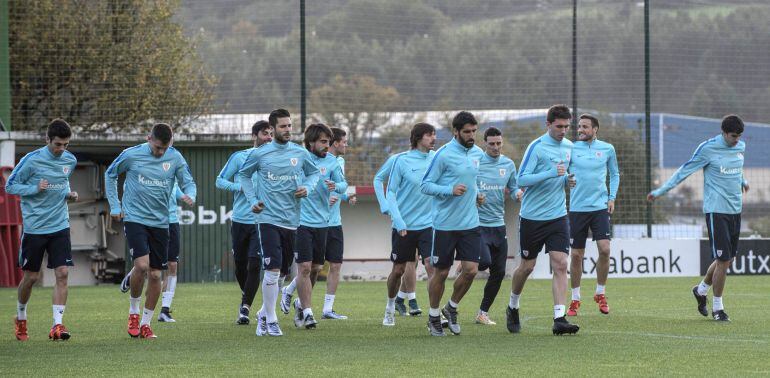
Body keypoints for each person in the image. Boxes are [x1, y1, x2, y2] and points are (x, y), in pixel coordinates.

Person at [648, 114, 748, 322]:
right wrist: (661, 191)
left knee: (726, 259)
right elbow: (684, 171)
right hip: (716, 210)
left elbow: (736, 169)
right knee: (722, 260)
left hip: (735, 210)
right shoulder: (707, 149)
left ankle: (701, 290)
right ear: (723, 133)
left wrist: (743, 181)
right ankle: (718, 308)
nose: (736, 140)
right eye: (733, 136)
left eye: (739, 136)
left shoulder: (740, 147)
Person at [106, 123, 197, 339]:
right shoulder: (131, 155)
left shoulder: (175, 158)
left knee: (156, 274)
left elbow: (188, 182)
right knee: (142, 265)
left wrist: (191, 194)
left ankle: (146, 324)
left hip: (161, 221)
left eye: (164, 148)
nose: (160, 152)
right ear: (149, 139)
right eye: (157, 148)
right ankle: (134, 313)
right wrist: (115, 206)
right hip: (135, 217)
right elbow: (110, 175)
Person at [238, 109, 320, 337]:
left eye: (289, 126)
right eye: (283, 126)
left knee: (282, 272)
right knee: (272, 270)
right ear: (272, 129)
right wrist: (252, 199)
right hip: (267, 219)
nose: (287, 130)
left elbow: (314, 175)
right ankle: (272, 320)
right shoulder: (260, 154)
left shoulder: (299, 153)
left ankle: (263, 315)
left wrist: (308, 187)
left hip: (292, 220)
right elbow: (244, 176)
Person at [505, 104, 579, 336]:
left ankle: (559, 318)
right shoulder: (536, 147)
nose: (563, 130)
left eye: (567, 126)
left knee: (560, 263)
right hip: (532, 218)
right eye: (559, 126)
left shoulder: (569, 147)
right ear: (548, 124)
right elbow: (522, 180)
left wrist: (568, 181)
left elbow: (564, 175)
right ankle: (513, 305)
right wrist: (551, 173)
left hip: (557, 216)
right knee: (527, 267)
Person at [9, 119, 78, 341]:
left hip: (60, 224)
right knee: (30, 277)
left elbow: (63, 181)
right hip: (35, 227)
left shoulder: (70, 160)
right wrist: (34, 188)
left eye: (66, 145)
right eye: (58, 144)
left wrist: (69, 194)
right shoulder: (32, 160)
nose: (62, 149)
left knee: (63, 273)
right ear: (47, 140)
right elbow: (10, 185)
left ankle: (57, 325)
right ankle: (21, 317)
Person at [420, 111, 485, 336]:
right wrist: (450, 190)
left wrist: (478, 194)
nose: (471, 135)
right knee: (441, 273)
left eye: (474, 131)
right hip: (445, 225)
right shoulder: (443, 154)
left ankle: (452, 307)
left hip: (470, 223)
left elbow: (473, 179)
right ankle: (434, 315)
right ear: (456, 132)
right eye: (467, 132)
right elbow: (426, 185)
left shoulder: (478, 153)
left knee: (471, 270)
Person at [284, 123, 347, 329]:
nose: (326, 146)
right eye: (322, 141)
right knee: (303, 268)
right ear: (311, 142)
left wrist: (335, 186)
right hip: (301, 222)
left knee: (316, 269)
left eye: (328, 142)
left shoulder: (332, 162)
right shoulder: (299, 158)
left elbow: (343, 184)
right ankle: (309, 313)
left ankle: (300, 304)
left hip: (323, 223)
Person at [215, 120, 273, 324]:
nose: (269, 138)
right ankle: (246, 296)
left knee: (255, 263)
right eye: (265, 133)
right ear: (254, 136)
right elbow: (219, 180)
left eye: (271, 134)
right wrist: (239, 187)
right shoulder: (239, 157)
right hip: (240, 219)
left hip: (263, 220)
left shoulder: (275, 159)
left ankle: (245, 308)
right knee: (240, 265)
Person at [381, 123, 436, 327]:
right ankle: (390, 307)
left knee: (432, 266)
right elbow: (392, 192)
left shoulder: (436, 159)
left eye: (435, 135)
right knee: (398, 270)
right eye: (430, 135)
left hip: (429, 225)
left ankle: (435, 314)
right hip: (404, 225)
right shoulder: (402, 161)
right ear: (418, 138)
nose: (434, 139)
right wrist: (398, 219)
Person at [566, 114, 620, 316]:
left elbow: (614, 174)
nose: (580, 130)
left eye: (585, 127)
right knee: (577, 255)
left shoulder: (607, 149)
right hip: (578, 209)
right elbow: (562, 172)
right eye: (579, 126)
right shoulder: (571, 148)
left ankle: (600, 292)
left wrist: (612, 197)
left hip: (599, 207)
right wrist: (565, 179)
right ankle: (575, 298)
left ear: (595, 129)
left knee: (605, 249)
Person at [473, 127, 520, 326]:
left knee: (499, 272)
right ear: (485, 143)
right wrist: (475, 195)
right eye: (491, 144)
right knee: (482, 263)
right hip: (478, 225)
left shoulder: (508, 164)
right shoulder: (476, 163)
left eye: (498, 143)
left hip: (498, 225)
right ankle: (469, 262)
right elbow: (467, 184)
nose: (495, 147)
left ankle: (482, 312)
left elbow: (514, 186)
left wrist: (517, 194)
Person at [374, 150, 425, 317]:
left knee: (415, 262)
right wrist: (384, 205)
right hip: (402, 218)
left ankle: (401, 299)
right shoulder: (398, 159)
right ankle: (412, 300)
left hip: (424, 220)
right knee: (405, 264)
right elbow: (378, 179)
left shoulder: (430, 158)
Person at [322, 127, 356, 319]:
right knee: (313, 267)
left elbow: (338, 185)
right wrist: (329, 196)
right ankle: (292, 291)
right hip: (316, 222)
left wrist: (345, 196)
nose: (346, 145)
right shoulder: (317, 161)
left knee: (335, 265)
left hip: (335, 222)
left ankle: (328, 309)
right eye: (344, 141)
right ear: (335, 143)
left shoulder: (340, 162)